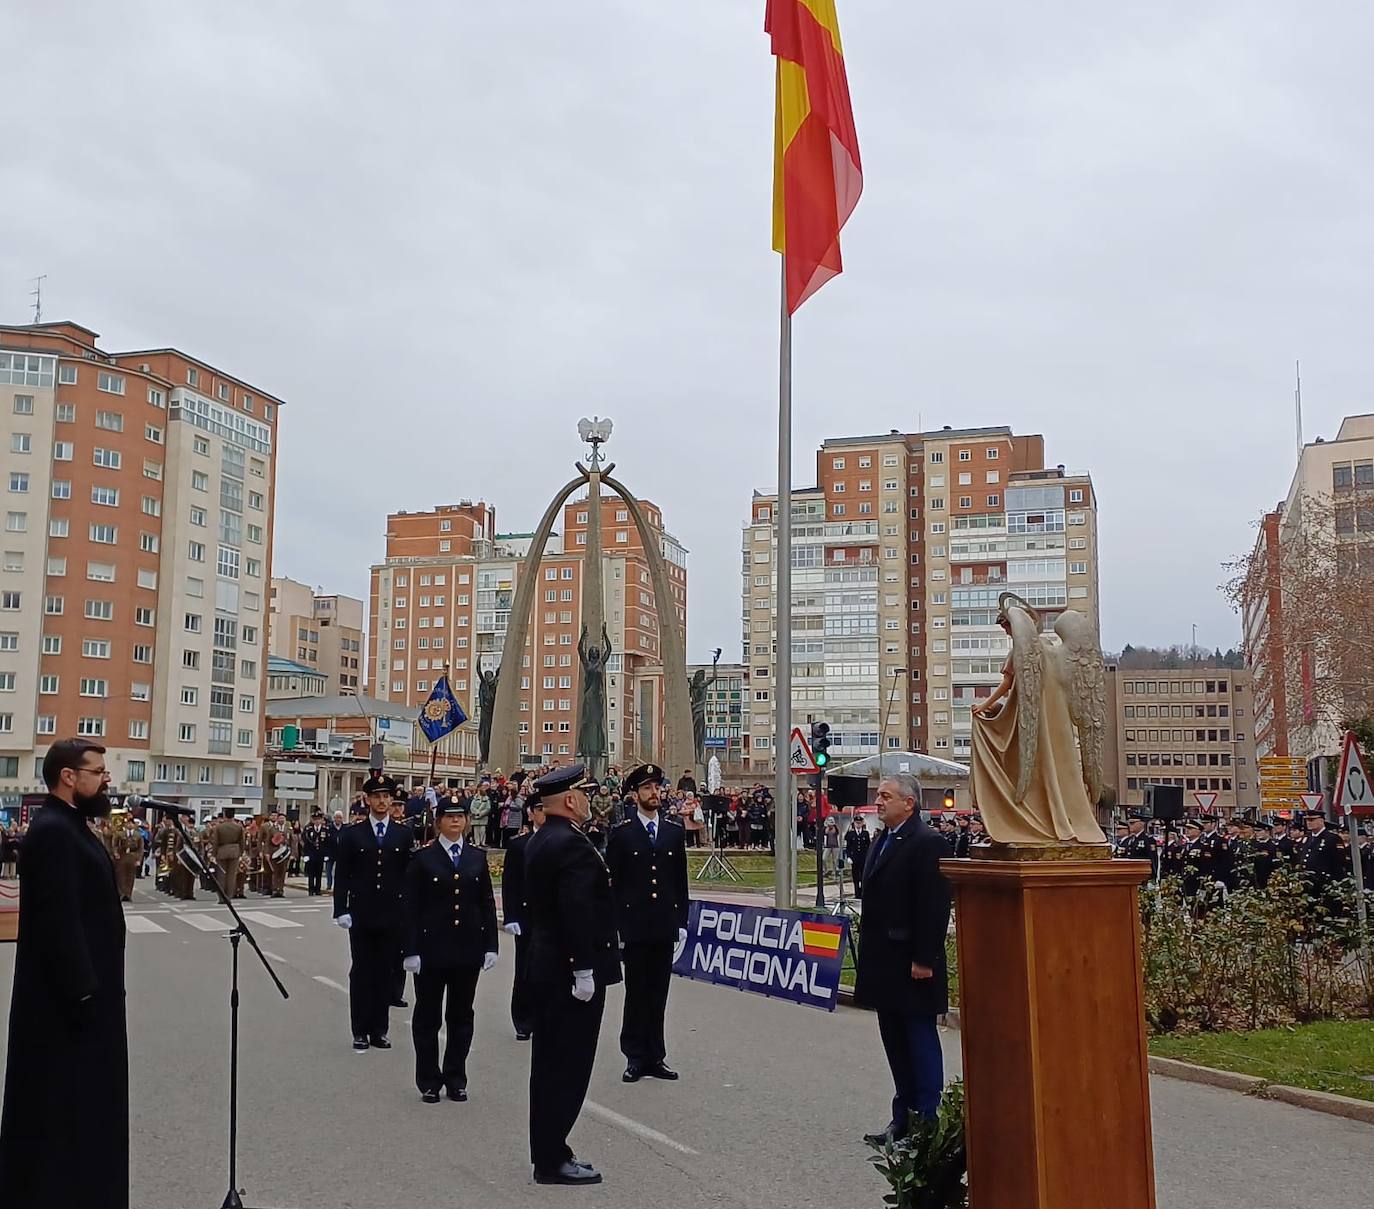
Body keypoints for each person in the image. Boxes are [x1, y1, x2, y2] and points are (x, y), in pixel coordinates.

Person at [0, 739, 128, 1209]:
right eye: (97, 771)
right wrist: (85, 995)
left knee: (79, 1112)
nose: (105, 780)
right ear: (69, 777)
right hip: (68, 1007)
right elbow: (59, 921)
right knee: (61, 1110)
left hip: (80, 998)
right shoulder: (54, 830)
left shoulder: (70, 825)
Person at [524, 764, 621, 1186]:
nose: (587, 799)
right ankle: (552, 1158)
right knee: (566, 1066)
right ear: (569, 800)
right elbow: (576, 911)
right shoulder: (571, 845)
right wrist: (583, 968)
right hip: (569, 973)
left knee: (548, 1065)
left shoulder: (544, 839)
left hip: (546, 967)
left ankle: (550, 1150)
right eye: (583, 794)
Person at [854, 773, 952, 1146]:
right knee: (895, 1044)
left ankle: (927, 1124)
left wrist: (924, 958)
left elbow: (933, 905)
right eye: (878, 796)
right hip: (884, 962)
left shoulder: (928, 843)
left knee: (918, 1043)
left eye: (885, 796)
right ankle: (902, 1120)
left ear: (909, 803)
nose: (878, 802)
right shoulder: (884, 838)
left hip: (913, 964)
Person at [402, 798, 498, 1103]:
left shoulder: (475, 858)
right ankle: (429, 1080)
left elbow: (485, 903)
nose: (456, 821)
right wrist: (410, 949)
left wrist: (491, 945)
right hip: (431, 951)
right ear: (438, 821)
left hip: (466, 950)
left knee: (461, 1017)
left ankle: (456, 1077)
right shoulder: (423, 859)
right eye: (450, 816)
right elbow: (411, 907)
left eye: (461, 816)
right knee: (428, 1018)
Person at [605, 764, 689, 1084]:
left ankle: (656, 1055)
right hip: (635, 925)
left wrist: (681, 919)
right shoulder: (623, 833)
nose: (654, 794)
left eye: (657, 788)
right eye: (647, 789)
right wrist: (615, 925)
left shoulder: (673, 831)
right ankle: (634, 1056)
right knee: (637, 991)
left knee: (659, 992)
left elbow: (679, 881)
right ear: (635, 794)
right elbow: (613, 882)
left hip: (664, 924)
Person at [333, 774, 415, 1052]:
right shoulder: (352, 834)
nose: (382, 801)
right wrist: (341, 909)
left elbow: (408, 874)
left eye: (386, 796)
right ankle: (360, 1029)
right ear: (367, 800)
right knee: (362, 972)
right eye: (377, 796)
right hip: (362, 913)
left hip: (392, 914)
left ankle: (380, 1029)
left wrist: (409, 909)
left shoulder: (403, 834)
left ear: (392, 800)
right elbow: (342, 874)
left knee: (385, 973)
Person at [502, 796, 545, 1041]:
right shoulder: (520, 844)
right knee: (525, 969)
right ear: (530, 813)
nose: (543, 813)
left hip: (550, 916)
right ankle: (522, 1019)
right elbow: (510, 883)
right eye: (538, 809)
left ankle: (544, 1016)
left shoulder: (558, 840)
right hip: (527, 916)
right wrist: (511, 916)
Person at [209, 809, 246, 900]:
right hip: (234, 851)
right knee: (232, 875)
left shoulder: (218, 827)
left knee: (221, 875)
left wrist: (213, 854)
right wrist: (241, 853)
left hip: (222, 851)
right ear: (233, 816)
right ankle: (229, 896)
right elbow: (242, 841)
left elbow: (215, 841)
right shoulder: (239, 827)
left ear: (225, 816)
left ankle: (222, 897)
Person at [1116, 810, 1159, 880]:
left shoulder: (1148, 840)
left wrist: (1152, 878)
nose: (1130, 825)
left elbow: (1153, 860)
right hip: (1132, 874)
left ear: (1141, 824)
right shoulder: (1131, 839)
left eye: (1132, 823)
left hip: (1142, 875)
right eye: (1129, 823)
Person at [301, 812, 329, 895]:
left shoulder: (325, 830)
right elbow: (306, 843)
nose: (317, 821)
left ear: (321, 820)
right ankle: (311, 889)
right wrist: (305, 855)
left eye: (319, 819)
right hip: (311, 855)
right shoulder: (308, 830)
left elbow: (327, 843)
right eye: (315, 820)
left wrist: (327, 855)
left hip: (320, 855)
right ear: (313, 821)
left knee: (319, 873)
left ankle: (318, 889)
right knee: (311, 873)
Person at [845, 815, 871, 897]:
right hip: (854, 858)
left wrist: (868, 857)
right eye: (857, 823)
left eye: (860, 823)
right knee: (855, 876)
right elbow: (848, 847)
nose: (858, 824)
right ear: (854, 823)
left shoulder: (865, 833)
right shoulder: (850, 833)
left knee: (863, 875)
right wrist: (848, 856)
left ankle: (863, 892)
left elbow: (868, 846)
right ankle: (857, 893)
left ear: (862, 823)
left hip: (863, 857)